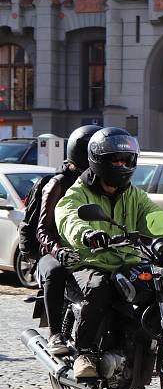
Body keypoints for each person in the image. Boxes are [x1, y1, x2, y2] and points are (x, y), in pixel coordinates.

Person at [55, 127, 163, 378]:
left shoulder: (133, 195)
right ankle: (85, 353)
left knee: (161, 287)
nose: (122, 164)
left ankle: (143, 339)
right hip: (90, 261)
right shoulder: (78, 192)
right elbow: (68, 217)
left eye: (126, 160)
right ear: (100, 161)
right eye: (116, 159)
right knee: (98, 289)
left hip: (126, 260)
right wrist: (86, 235)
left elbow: (156, 218)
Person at [36, 125, 101, 355]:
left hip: (88, 250)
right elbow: (42, 229)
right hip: (53, 252)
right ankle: (55, 334)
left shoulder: (99, 183)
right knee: (56, 271)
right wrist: (58, 250)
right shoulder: (59, 184)